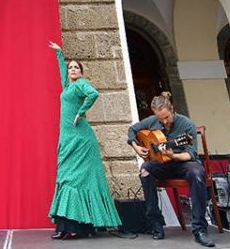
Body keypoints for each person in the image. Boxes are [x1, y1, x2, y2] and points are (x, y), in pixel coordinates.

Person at [47, 42, 121, 240]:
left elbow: (93, 93)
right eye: (71, 67)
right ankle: (76, 226)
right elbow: (62, 72)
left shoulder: (80, 84)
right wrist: (59, 54)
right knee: (66, 177)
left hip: (81, 139)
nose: (72, 69)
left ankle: (73, 227)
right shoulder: (69, 86)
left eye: (76, 67)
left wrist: (81, 113)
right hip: (68, 139)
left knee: (74, 179)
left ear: (81, 72)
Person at [128, 92, 215, 247]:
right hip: (163, 164)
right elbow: (132, 130)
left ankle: (199, 229)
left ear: (172, 109)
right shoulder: (153, 120)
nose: (164, 121)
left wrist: (173, 155)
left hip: (184, 163)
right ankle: (156, 224)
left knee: (197, 173)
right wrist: (136, 147)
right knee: (145, 170)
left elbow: (190, 154)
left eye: (166, 117)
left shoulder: (186, 124)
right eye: (160, 118)